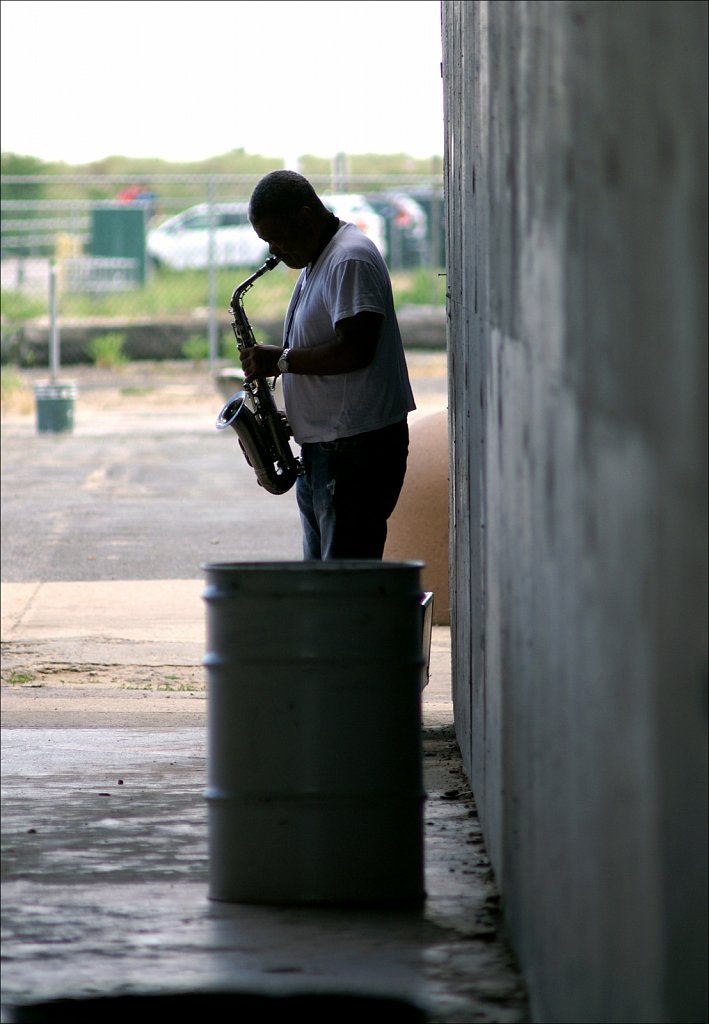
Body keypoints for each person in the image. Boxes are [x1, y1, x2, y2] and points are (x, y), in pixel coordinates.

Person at [240, 170, 416, 560]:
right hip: (331, 450)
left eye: (277, 237)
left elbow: (357, 349)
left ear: (304, 216)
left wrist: (281, 361)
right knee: (326, 589)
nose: (274, 250)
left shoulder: (349, 258)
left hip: (354, 454)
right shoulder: (319, 261)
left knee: (343, 590)